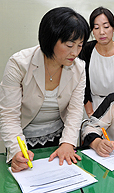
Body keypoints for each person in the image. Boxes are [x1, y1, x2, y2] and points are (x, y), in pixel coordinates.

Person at [0, 7, 90, 172]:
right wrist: (16, 150)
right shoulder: (19, 64)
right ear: (50, 39)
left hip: (59, 137)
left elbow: (75, 110)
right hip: (22, 138)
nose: (76, 52)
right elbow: (8, 114)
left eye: (80, 46)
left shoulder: (79, 68)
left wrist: (68, 143)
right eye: (70, 45)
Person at [79, 7, 114, 117]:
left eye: (106, 27)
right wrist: (90, 113)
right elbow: (82, 84)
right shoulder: (86, 49)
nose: (101, 32)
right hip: (90, 106)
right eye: (96, 27)